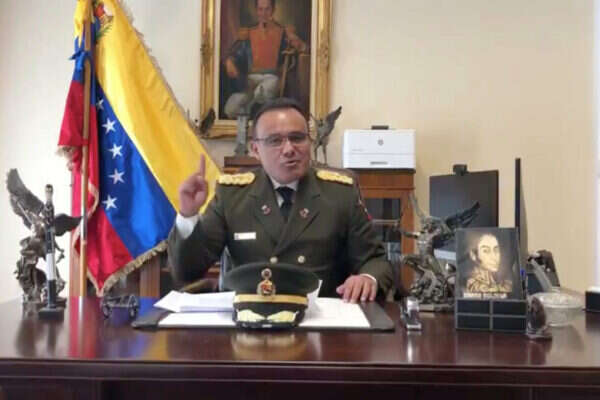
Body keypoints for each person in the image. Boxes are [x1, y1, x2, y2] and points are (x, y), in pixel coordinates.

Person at [168, 98, 393, 302]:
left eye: (297, 138)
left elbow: (376, 260)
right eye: (275, 141)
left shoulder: (339, 193)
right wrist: (188, 215)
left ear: (310, 142)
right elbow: (186, 271)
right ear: (255, 149)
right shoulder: (232, 195)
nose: (288, 149)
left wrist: (367, 278)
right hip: (249, 319)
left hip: (320, 320)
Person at [222, 0, 308, 118]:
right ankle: (251, 109)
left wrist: (297, 42)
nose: (264, 13)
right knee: (230, 109)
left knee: (261, 94)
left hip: (272, 79)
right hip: (250, 80)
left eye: (267, 9)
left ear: (273, 10)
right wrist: (229, 61)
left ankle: (253, 111)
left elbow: (304, 48)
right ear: (256, 11)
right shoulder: (249, 33)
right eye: (260, 9)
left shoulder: (283, 32)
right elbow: (235, 53)